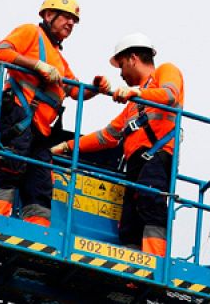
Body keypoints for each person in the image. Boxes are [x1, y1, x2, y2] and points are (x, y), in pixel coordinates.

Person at [52, 33, 184, 257]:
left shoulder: (165, 71)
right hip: (135, 164)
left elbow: (171, 95)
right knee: (130, 219)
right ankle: (133, 268)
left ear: (133, 58)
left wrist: (137, 93)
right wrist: (66, 146)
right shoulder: (132, 107)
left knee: (150, 202)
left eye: (121, 65)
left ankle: (154, 261)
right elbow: (107, 136)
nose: (121, 74)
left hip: (158, 156)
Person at [0, 0, 107, 226]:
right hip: (18, 116)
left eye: (74, 20)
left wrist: (97, 87)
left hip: (41, 131)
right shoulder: (30, 33)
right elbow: (0, 52)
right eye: (66, 17)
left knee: (40, 185)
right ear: (49, 15)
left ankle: (38, 234)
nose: (71, 23)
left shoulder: (60, 60)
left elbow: (76, 92)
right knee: (11, 169)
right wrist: (36, 64)